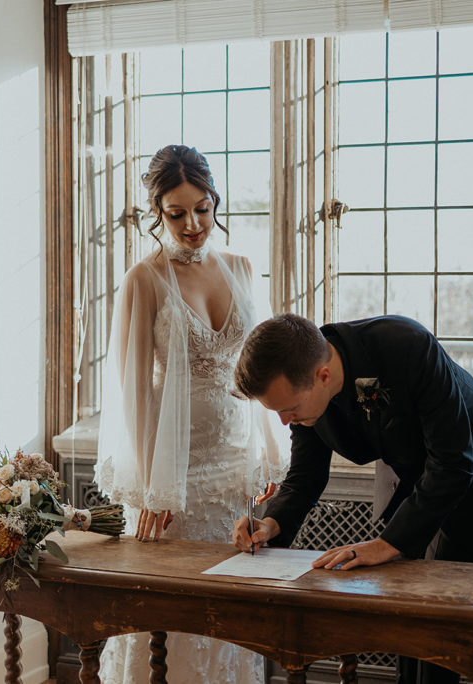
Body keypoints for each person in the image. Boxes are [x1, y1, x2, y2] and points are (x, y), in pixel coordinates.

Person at [230, 312, 473, 684]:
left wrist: (388, 543)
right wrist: (271, 523)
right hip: (422, 490)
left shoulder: (406, 344)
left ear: (323, 376)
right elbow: (306, 474)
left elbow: (454, 464)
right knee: (408, 633)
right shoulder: (304, 374)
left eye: (288, 410)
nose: (284, 421)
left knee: (442, 640)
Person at [95, 144, 287, 684]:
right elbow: (134, 393)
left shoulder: (243, 268)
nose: (193, 224)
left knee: (227, 626)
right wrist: (154, 489)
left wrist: (269, 460)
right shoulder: (143, 279)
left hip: (235, 478)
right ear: (156, 212)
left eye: (202, 208)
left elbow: (263, 367)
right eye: (177, 213)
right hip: (174, 482)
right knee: (169, 630)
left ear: (214, 200)